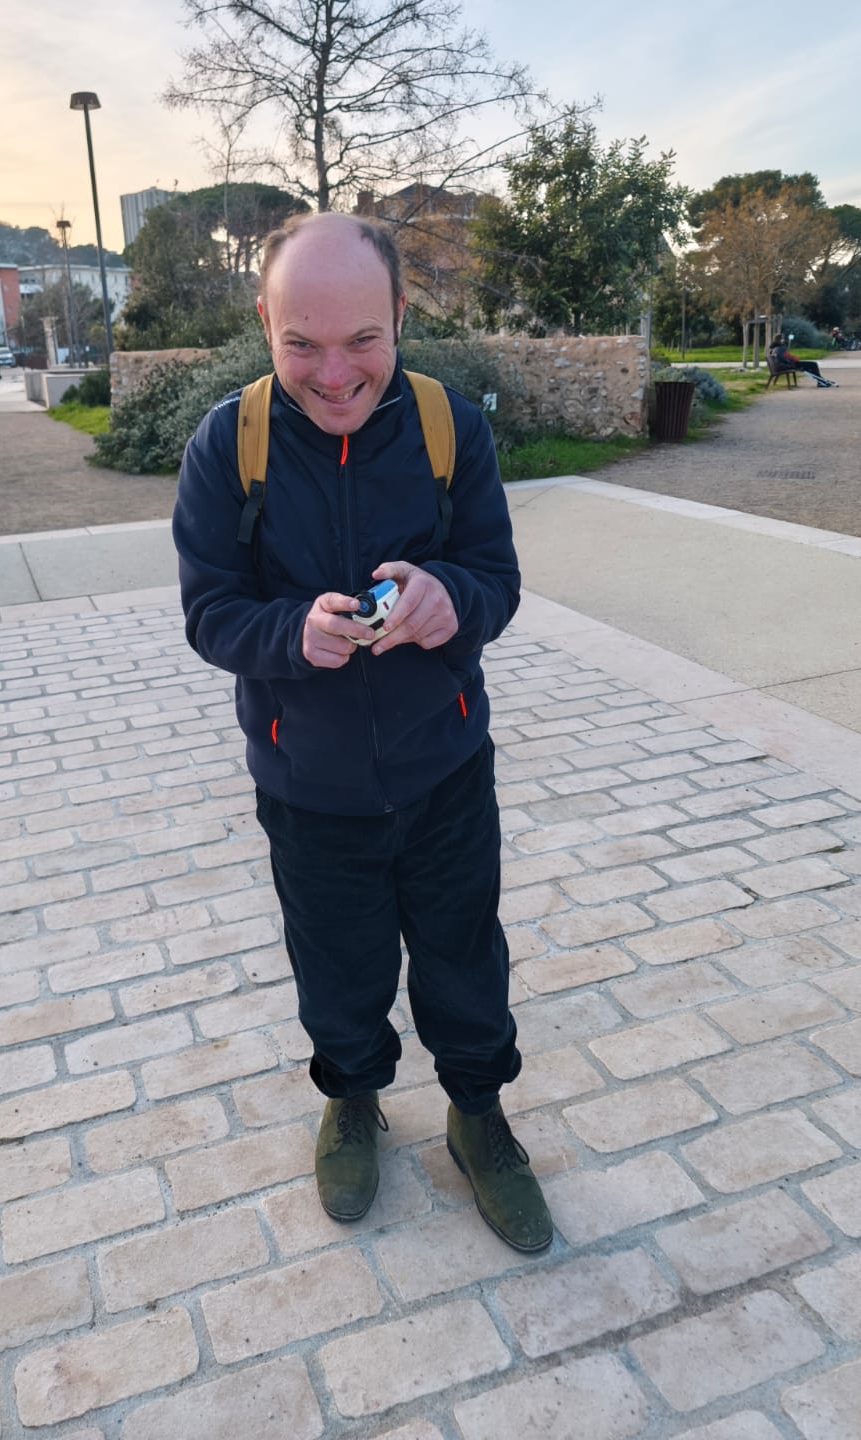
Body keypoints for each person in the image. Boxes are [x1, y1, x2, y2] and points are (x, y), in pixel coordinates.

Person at [172, 211, 553, 1254]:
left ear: (400, 316)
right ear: (264, 324)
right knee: (336, 963)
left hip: (446, 767)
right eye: (302, 343)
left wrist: (448, 599)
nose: (334, 375)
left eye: (362, 341)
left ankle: (479, 1114)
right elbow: (211, 614)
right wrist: (291, 635)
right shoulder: (228, 445)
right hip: (308, 783)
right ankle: (351, 1098)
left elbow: (497, 579)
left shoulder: (448, 426)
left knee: (464, 956)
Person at [768, 333, 837, 388]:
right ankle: (821, 381)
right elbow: (783, 359)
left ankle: (821, 380)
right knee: (812, 365)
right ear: (779, 340)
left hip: (788, 364)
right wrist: (792, 360)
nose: (783, 340)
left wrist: (792, 358)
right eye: (782, 339)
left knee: (812, 364)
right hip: (788, 365)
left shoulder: (776, 348)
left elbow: (784, 357)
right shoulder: (778, 348)